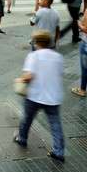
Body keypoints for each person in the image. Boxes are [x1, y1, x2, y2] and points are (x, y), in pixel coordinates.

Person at [14, 30, 65, 162]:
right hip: (53, 97)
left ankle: (22, 138)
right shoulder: (57, 57)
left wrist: (20, 80)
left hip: (35, 95)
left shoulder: (33, 56)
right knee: (55, 124)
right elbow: (60, 74)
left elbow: (29, 76)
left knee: (27, 118)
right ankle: (59, 151)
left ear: (36, 42)